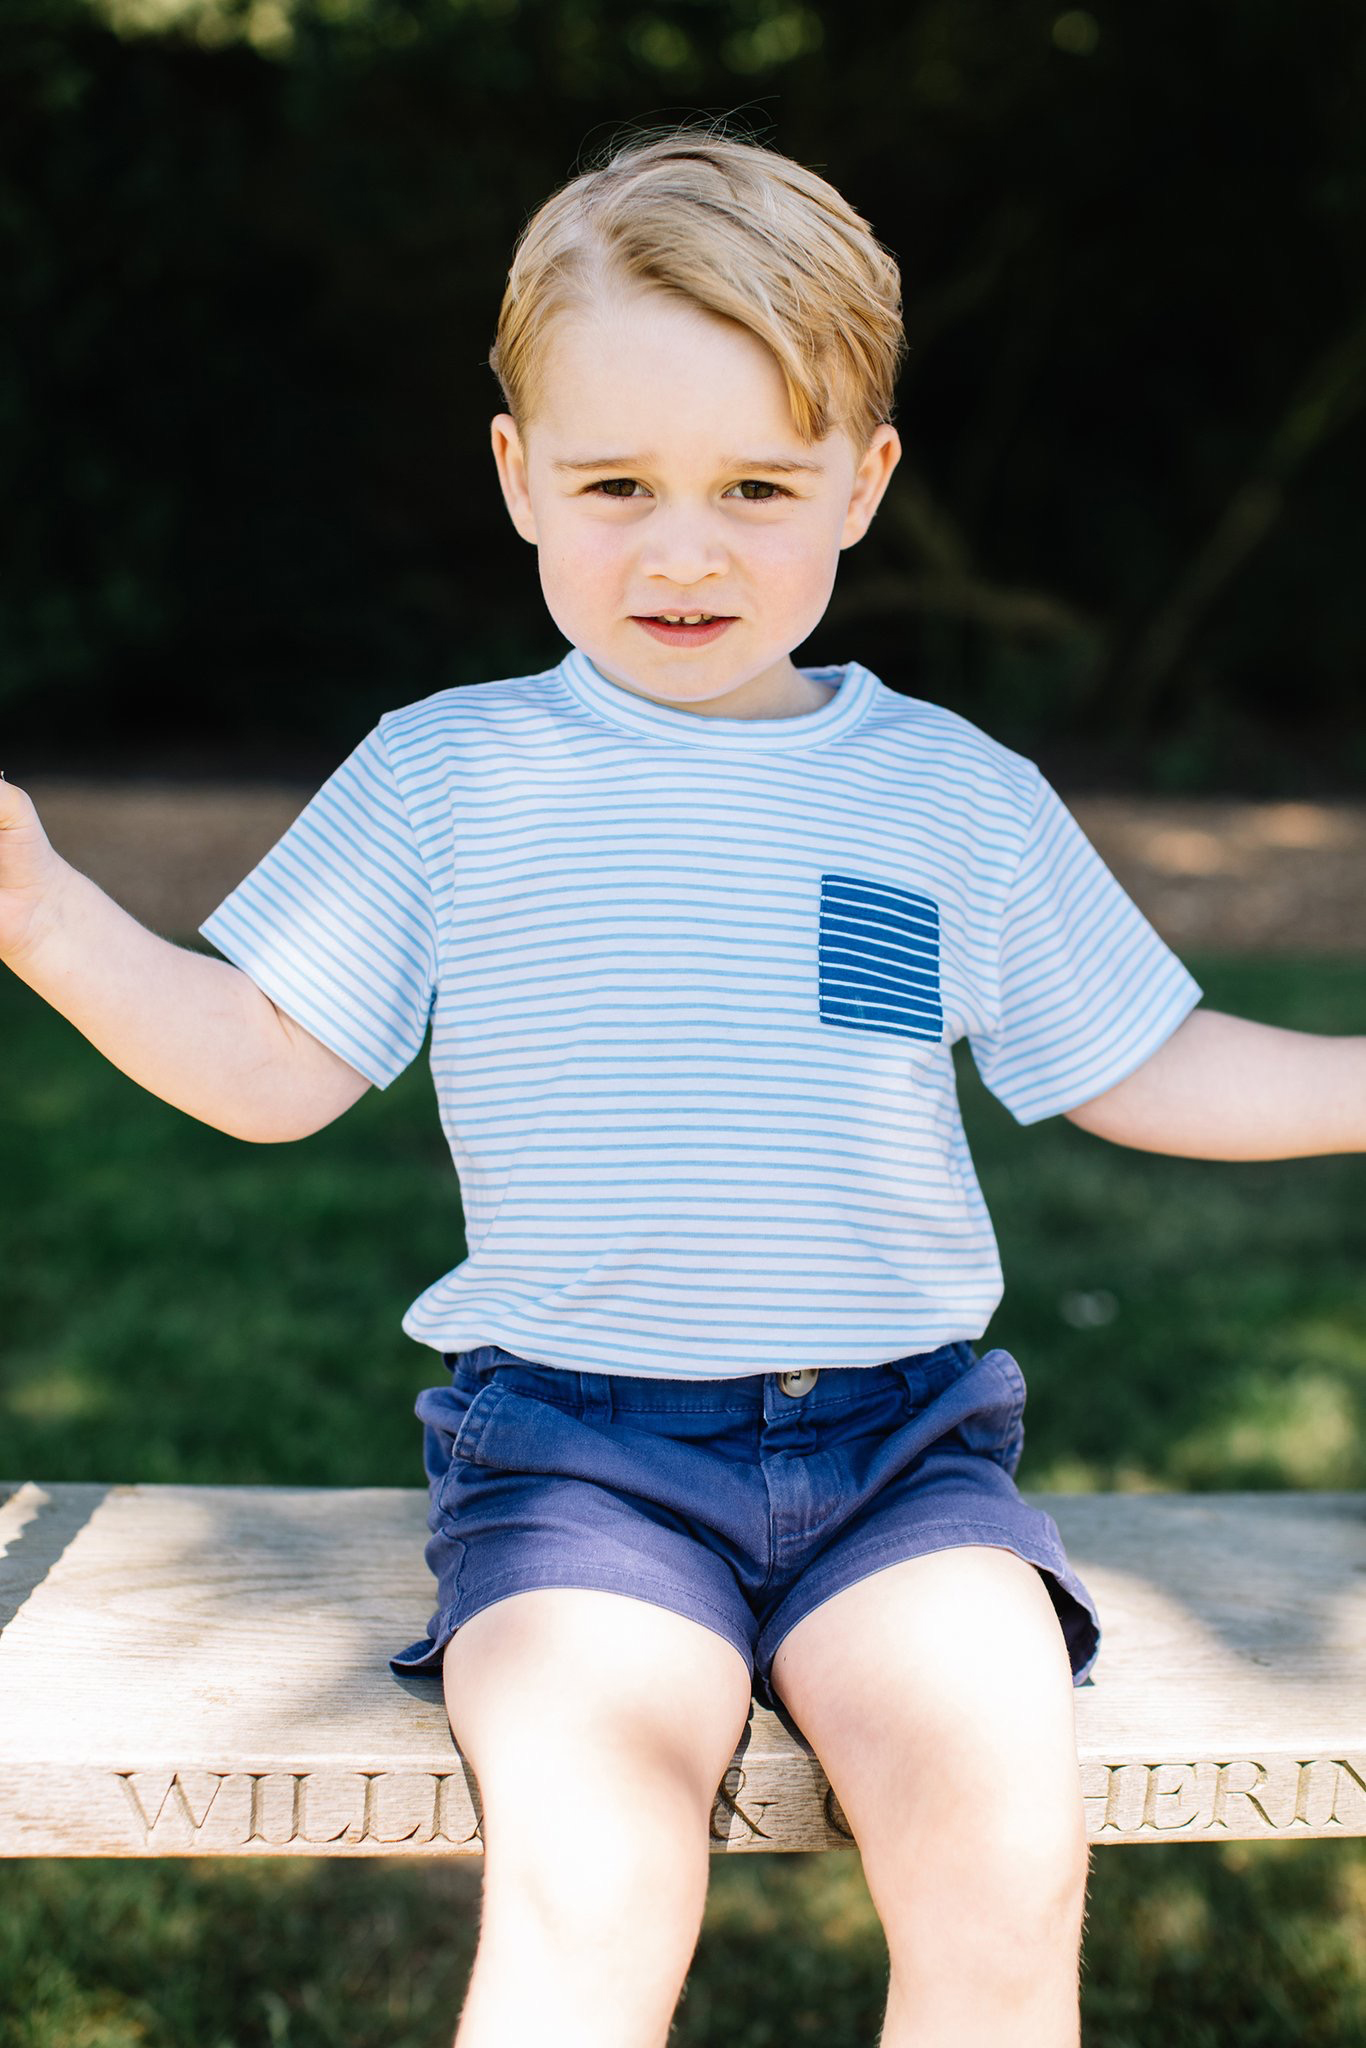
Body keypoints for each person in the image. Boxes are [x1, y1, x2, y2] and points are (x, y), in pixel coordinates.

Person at [1, 125, 1361, 2048]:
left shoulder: (945, 794)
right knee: (599, 1873)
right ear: (515, 477)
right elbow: (265, 1069)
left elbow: (1143, 1060)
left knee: (999, 1850)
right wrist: (45, 913)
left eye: (755, 483)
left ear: (865, 484)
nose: (686, 547)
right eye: (617, 483)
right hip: (577, 1466)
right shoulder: (446, 778)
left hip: (903, 1460)